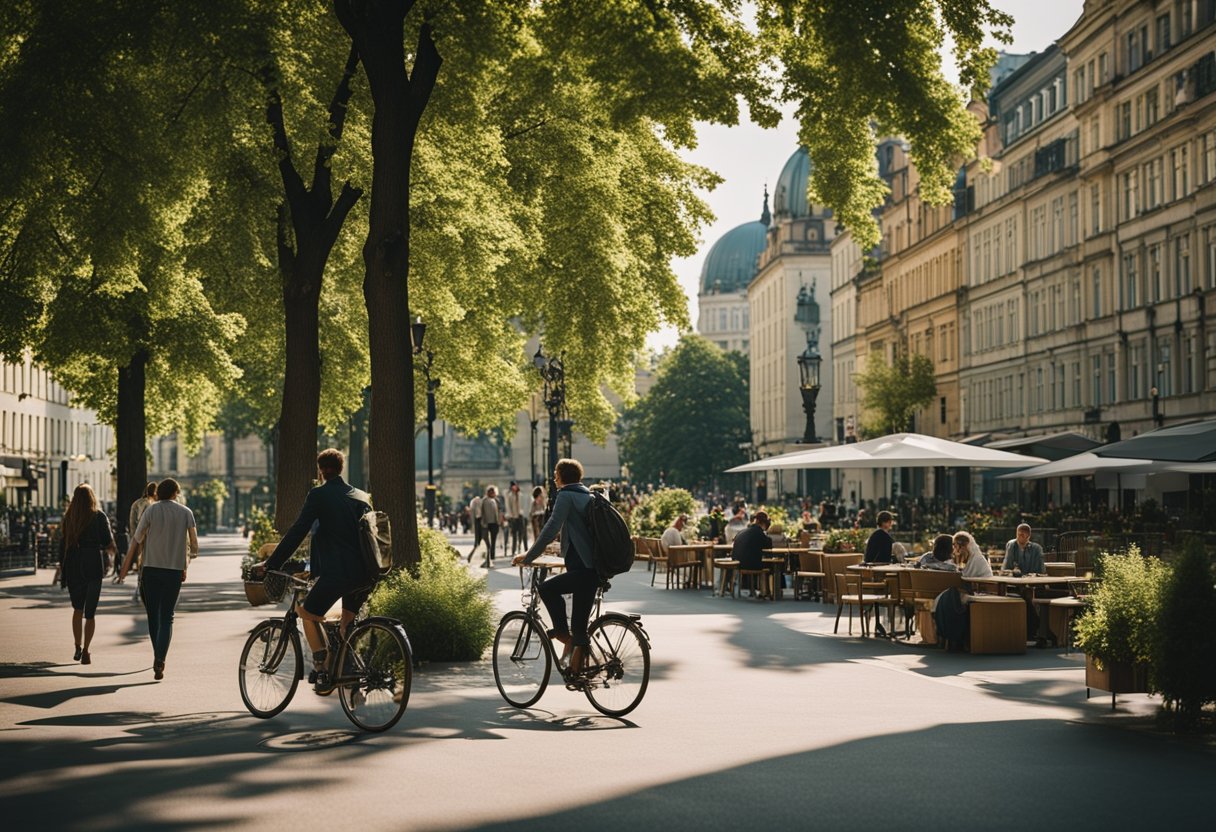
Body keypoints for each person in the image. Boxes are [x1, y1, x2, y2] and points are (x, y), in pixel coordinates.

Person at [252, 449, 370, 693]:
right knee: (346, 626)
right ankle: (351, 675)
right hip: (365, 573)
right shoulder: (361, 496)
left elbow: (298, 531)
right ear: (340, 468)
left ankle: (322, 667)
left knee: (306, 613)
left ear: (320, 470)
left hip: (337, 572)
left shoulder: (319, 495)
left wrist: (271, 563)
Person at [515, 458, 596, 674]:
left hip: (581, 569)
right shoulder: (587, 496)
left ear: (561, 477)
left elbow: (551, 528)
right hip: (594, 569)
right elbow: (577, 537)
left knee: (546, 588)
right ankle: (578, 674)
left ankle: (561, 634)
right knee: (579, 628)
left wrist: (529, 557)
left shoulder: (566, 495)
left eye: (555, 474)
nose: (554, 478)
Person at [119, 478, 198, 680]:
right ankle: (161, 659)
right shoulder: (186, 512)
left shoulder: (150, 511)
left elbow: (136, 540)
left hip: (151, 569)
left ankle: (157, 656)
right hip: (173, 571)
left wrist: (124, 570)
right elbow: (194, 545)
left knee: (153, 616)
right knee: (167, 616)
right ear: (175, 493)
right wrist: (186, 560)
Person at [59, 483, 116, 665]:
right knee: (90, 613)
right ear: (93, 497)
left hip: (74, 563)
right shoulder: (99, 517)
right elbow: (108, 542)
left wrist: (63, 569)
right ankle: (86, 650)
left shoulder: (69, 518)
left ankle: (76, 646)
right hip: (92, 562)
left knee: (77, 609)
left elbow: (63, 544)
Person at [479, 485, 501, 567]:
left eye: (493, 492)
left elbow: (499, 511)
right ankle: (488, 555)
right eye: (491, 492)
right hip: (486, 523)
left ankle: (492, 555)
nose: (493, 493)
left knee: (494, 540)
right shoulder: (484, 500)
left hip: (495, 523)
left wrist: (499, 521)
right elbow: (482, 511)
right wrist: (483, 521)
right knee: (487, 541)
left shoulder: (496, 501)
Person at [505, 481, 526, 556]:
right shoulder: (510, 496)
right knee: (514, 535)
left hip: (520, 516)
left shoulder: (520, 495)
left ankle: (519, 546)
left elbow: (524, 505)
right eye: (513, 486)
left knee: (521, 533)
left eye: (515, 486)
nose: (514, 487)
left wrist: (523, 512)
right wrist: (511, 516)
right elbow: (508, 507)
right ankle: (513, 550)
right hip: (514, 517)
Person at [467, 492, 483, 562]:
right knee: (479, 541)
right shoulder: (479, 502)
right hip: (480, 521)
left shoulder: (473, 502)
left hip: (477, 521)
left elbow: (472, 514)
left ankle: (471, 556)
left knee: (477, 541)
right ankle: (472, 557)